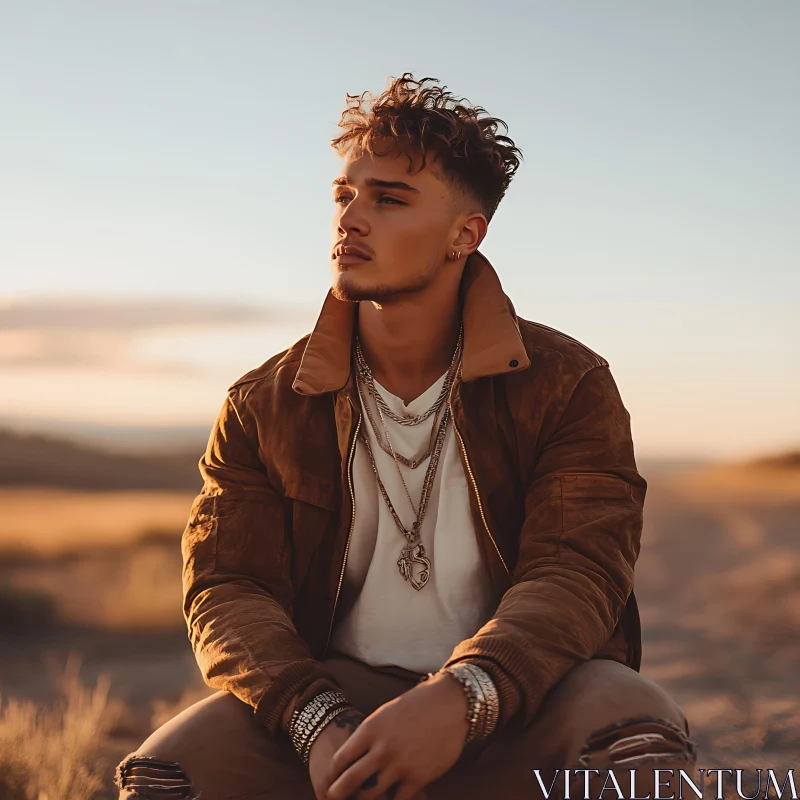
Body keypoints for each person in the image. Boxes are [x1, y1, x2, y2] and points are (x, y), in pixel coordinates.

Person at [115, 73, 698, 800]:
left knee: (632, 739)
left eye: (388, 199)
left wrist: (464, 697)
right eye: (344, 194)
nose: (350, 219)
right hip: (335, 708)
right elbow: (227, 587)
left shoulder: (566, 382)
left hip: (525, 698)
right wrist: (315, 723)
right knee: (169, 776)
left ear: (466, 234)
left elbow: (578, 572)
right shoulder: (262, 402)